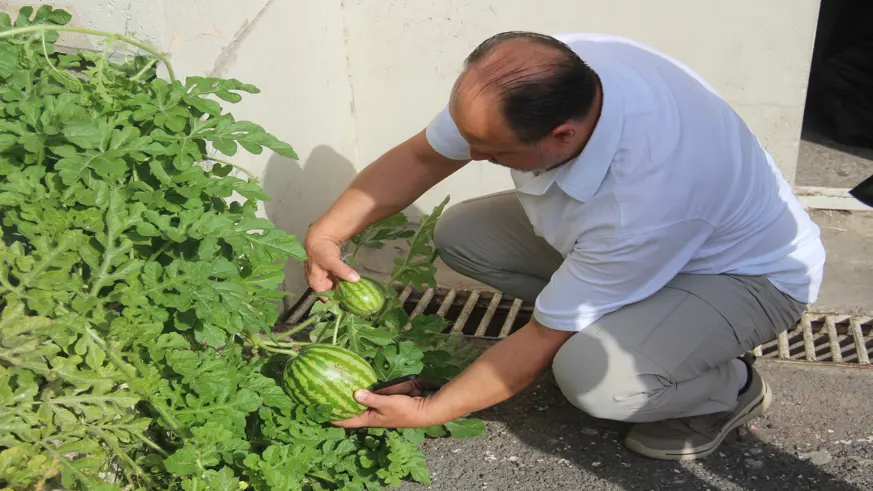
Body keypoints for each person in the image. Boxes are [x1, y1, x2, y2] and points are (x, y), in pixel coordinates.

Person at [303, 31, 826, 461]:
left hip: (745, 276)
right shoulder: (548, 73)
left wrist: (427, 411)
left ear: (562, 136)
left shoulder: (647, 198)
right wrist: (327, 233)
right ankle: (630, 320)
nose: (473, 154)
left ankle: (727, 389)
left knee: (596, 382)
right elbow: (423, 156)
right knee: (462, 237)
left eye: (490, 152)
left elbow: (539, 339)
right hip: (638, 245)